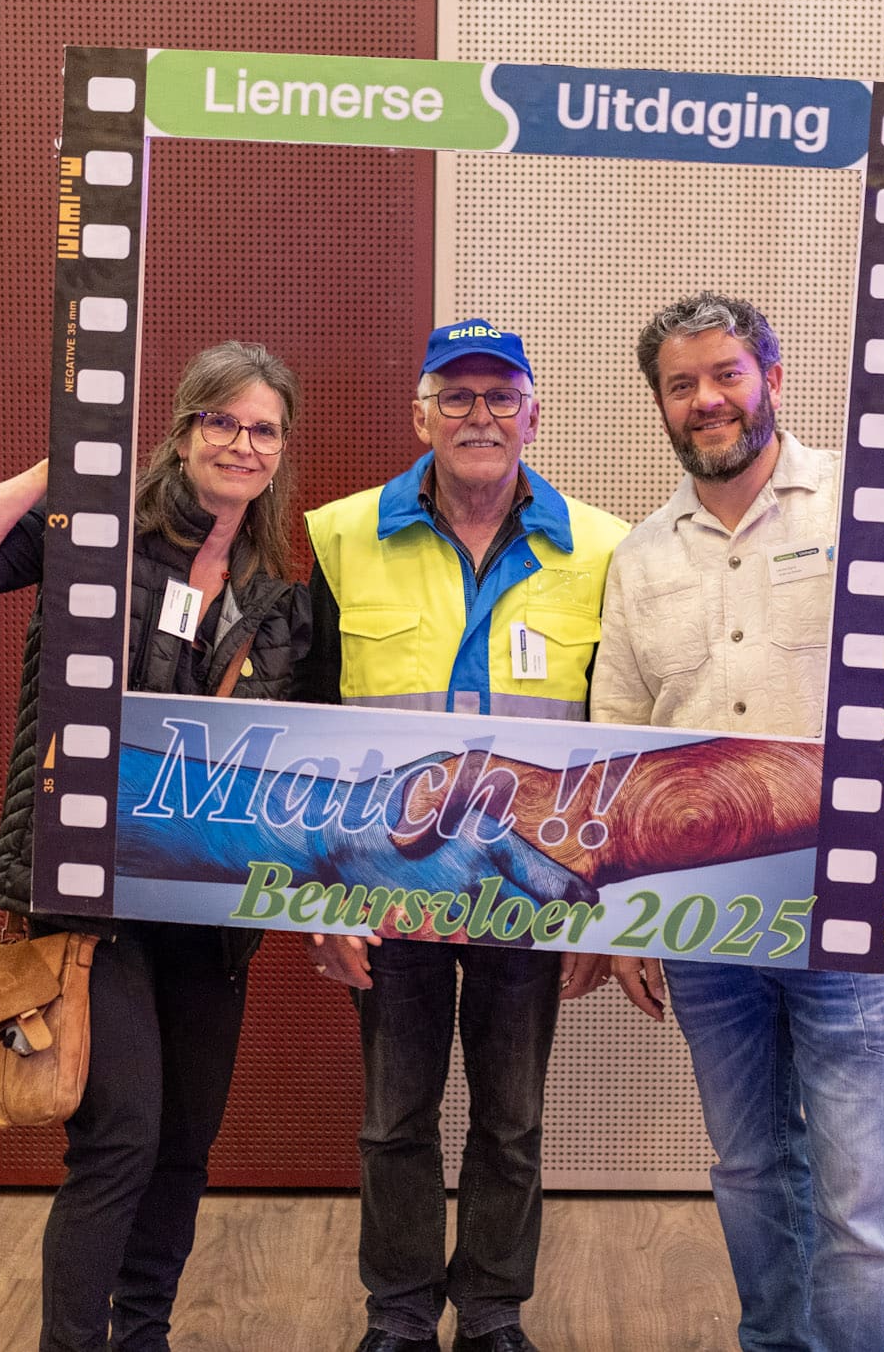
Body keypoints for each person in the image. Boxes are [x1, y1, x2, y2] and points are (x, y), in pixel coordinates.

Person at [594, 294, 884, 1352]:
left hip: (850, 896)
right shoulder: (642, 556)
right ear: (660, 405)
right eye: (681, 385)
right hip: (703, 913)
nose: (706, 400)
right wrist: (623, 917)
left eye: (725, 374)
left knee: (860, 1197)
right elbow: (618, 739)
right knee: (747, 1168)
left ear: (770, 378)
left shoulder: (867, 499)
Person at [0, 341, 313, 1352]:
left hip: (207, 910)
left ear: (280, 451)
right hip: (90, 894)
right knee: (120, 1137)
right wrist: (59, 469)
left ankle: (144, 1335)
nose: (242, 443)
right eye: (222, 421)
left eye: (263, 429)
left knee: (182, 1147)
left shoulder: (277, 595)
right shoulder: (95, 534)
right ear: (183, 430)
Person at [298, 318, 628, 1352]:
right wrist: (318, 896)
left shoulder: (603, 549)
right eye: (456, 396)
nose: (479, 416)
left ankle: (491, 1312)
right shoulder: (340, 536)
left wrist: (604, 912)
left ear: (534, 415)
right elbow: (305, 728)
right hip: (380, 886)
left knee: (511, 1119)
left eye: (500, 397)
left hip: (529, 889)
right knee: (393, 1118)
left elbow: (621, 737)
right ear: (421, 416)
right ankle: (398, 1314)